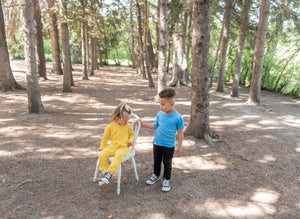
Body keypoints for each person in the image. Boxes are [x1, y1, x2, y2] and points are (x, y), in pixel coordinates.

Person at [140, 88, 184, 192]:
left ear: (172, 104)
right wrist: (143, 125)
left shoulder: (178, 117)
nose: (161, 106)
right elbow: (155, 125)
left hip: (169, 146)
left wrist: (179, 147)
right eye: (160, 103)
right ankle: (156, 175)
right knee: (156, 161)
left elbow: (180, 133)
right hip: (157, 143)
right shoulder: (160, 114)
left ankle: (166, 180)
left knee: (167, 163)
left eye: (164, 104)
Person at [97, 103, 134, 186]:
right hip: (113, 146)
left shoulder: (128, 126)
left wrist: (130, 141)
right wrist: (102, 147)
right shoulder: (110, 127)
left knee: (118, 156)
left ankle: (110, 173)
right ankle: (105, 172)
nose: (126, 122)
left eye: (127, 120)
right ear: (117, 118)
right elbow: (105, 138)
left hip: (124, 147)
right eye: (124, 120)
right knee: (102, 154)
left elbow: (131, 134)